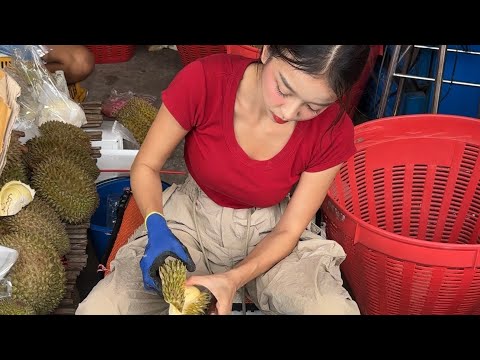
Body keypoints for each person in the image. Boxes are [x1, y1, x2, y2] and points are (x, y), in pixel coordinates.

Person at [76, 45, 371, 315]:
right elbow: (146, 166)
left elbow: (289, 230)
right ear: (267, 51)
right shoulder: (206, 79)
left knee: (332, 309)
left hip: (273, 235)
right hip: (189, 220)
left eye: (314, 107)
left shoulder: (334, 131)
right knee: (100, 308)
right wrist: (156, 226)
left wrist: (232, 279)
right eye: (283, 89)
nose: (289, 112)